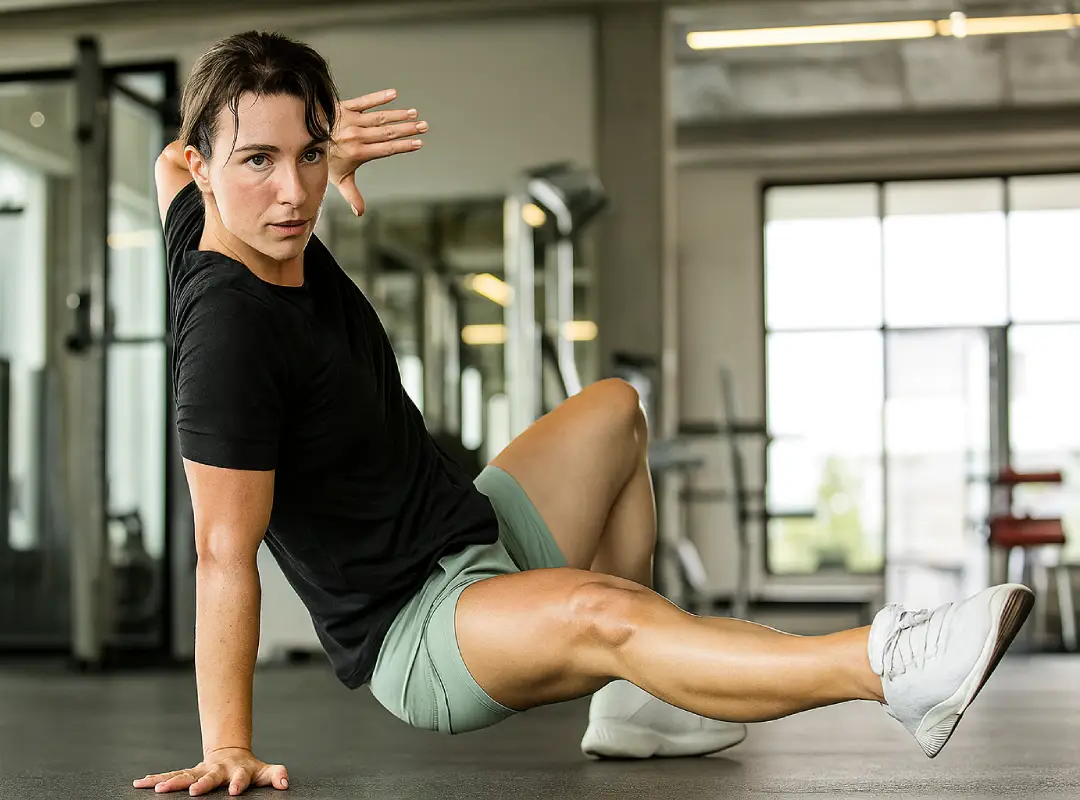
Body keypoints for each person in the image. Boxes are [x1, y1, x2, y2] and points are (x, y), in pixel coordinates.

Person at [134, 30, 1035, 798]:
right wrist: (227, 746)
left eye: (308, 155)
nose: (293, 194)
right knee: (609, 614)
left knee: (614, 411)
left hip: (470, 530)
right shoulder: (228, 338)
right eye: (257, 161)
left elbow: (169, 157)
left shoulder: (197, 206)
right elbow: (222, 552)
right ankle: (891, 665)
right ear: (213, 169)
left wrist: (309, 149)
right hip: (423, 629)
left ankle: (636, 707)